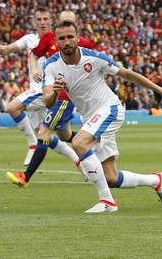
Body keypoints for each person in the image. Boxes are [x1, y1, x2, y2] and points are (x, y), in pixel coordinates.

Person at [42, 20, 162, 212]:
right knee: (111, 178)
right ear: (56, 41)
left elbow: (127, 75)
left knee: (79, 143)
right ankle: (156, 180)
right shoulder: (51, 66)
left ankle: (107, 202)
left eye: (70, 37)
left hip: (109, 109)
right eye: (62, 38)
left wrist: (161, 91)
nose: (66, 42)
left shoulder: (95, 58)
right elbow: (47, 100)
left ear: (78, 38)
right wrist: (55, 92)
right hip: (91, 118)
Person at [6, 10, 95, 188]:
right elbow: (34, 53)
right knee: (66, 135)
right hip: (50, 91)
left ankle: (25, 177)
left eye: (70, 24)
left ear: (76, 27)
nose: (65, 32)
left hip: (63, 97)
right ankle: (93, 141)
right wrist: (36, 70)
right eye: (63, 23)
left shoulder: (86, 45)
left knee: (43, 134)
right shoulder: (49, 38)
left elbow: (94, 68)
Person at [0, 7, 73, 166]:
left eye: (45, 19)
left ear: (51, 21)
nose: (42, 23)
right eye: (39, 19)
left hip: (47, 90)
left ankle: (32, 144)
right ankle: (80, 162)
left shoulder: (60, 40)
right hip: (35, 90)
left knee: (12, 108)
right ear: (34, 22)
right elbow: (8, 49)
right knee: (46, 135)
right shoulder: (29, 39)